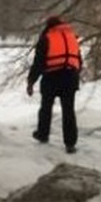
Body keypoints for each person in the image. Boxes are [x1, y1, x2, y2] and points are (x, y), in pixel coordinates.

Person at [28, 15, 83, 152]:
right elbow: (79, 61)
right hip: (70, 77)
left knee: (46, 107)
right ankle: (70, 144)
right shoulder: (72, 37)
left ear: (49, 26)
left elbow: (38, 63)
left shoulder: (46, 38)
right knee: (68, 111)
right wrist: (74, 74)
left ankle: (42, 134)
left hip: (51, 78)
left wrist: (31, 82)